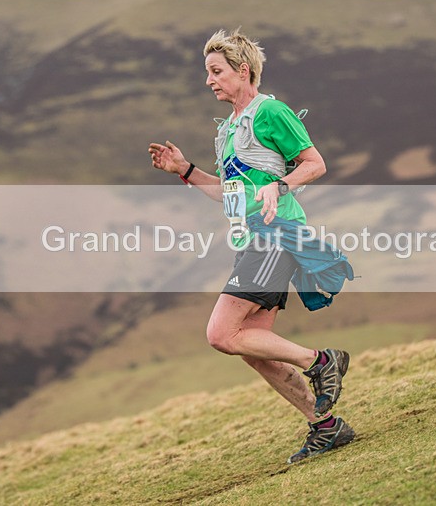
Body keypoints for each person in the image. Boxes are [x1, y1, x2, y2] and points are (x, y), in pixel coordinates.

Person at [148, 29, 354, 464]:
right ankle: (326, 427)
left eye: (217, 71)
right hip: (252, 242)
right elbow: (229, 193)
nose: (209, 81)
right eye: (208, 73)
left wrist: (280, 186)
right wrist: (185, 170)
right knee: (252, 345)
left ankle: (321, 361)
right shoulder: (227, 131)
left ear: (244, 71)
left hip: (277, 236)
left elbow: (315, 164)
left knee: (222, 334)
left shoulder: (271, 112)